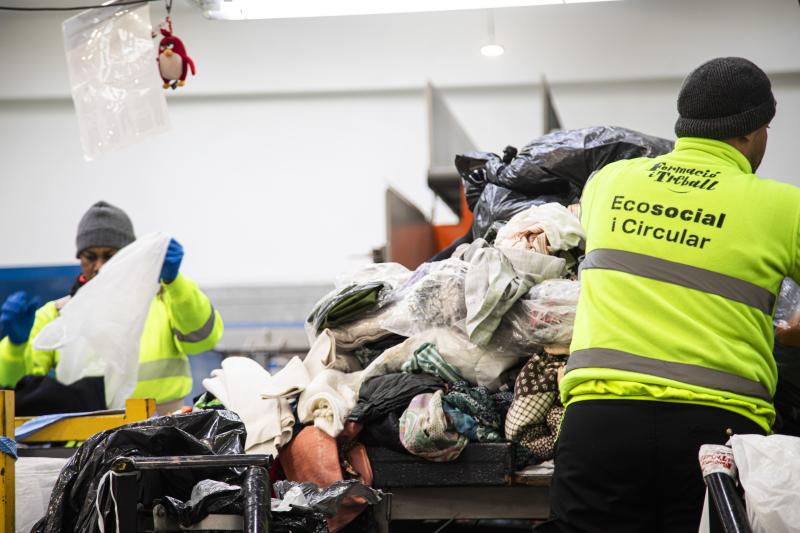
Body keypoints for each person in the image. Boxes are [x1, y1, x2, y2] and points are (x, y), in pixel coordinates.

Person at [543, 57, 800, 532]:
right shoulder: (785, 206)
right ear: (751, 131)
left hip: (599, 424)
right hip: (717, 432)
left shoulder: (608, 182)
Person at [0, 201, 223, 413]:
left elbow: (203, 340)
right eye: (90, 257)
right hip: (81, 444)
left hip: (157, 440)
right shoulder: (57, 314)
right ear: (80, 259)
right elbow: (17, 389)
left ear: (129, 256)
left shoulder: (161, 301)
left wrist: (175, 284)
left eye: (109, 256)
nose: (99, 266)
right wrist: (15, 347)